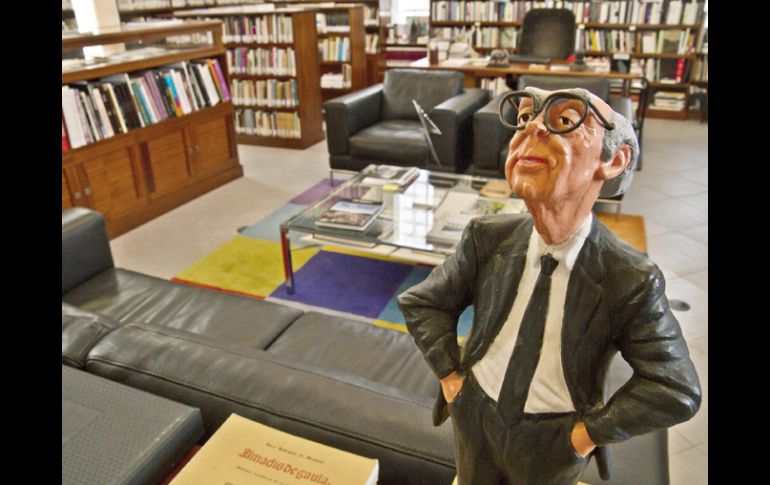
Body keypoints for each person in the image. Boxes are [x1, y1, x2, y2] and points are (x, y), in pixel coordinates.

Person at [397, 87, 701, 485]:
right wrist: (454, 383)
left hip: (555, 439)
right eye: (524, 118)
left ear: (613, 160)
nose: (533, 128)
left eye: (564, 121)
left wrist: (585, 434)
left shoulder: (630, 277)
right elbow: (422, 303)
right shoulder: (486, 238)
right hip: (475, 415)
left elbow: (675, 387)